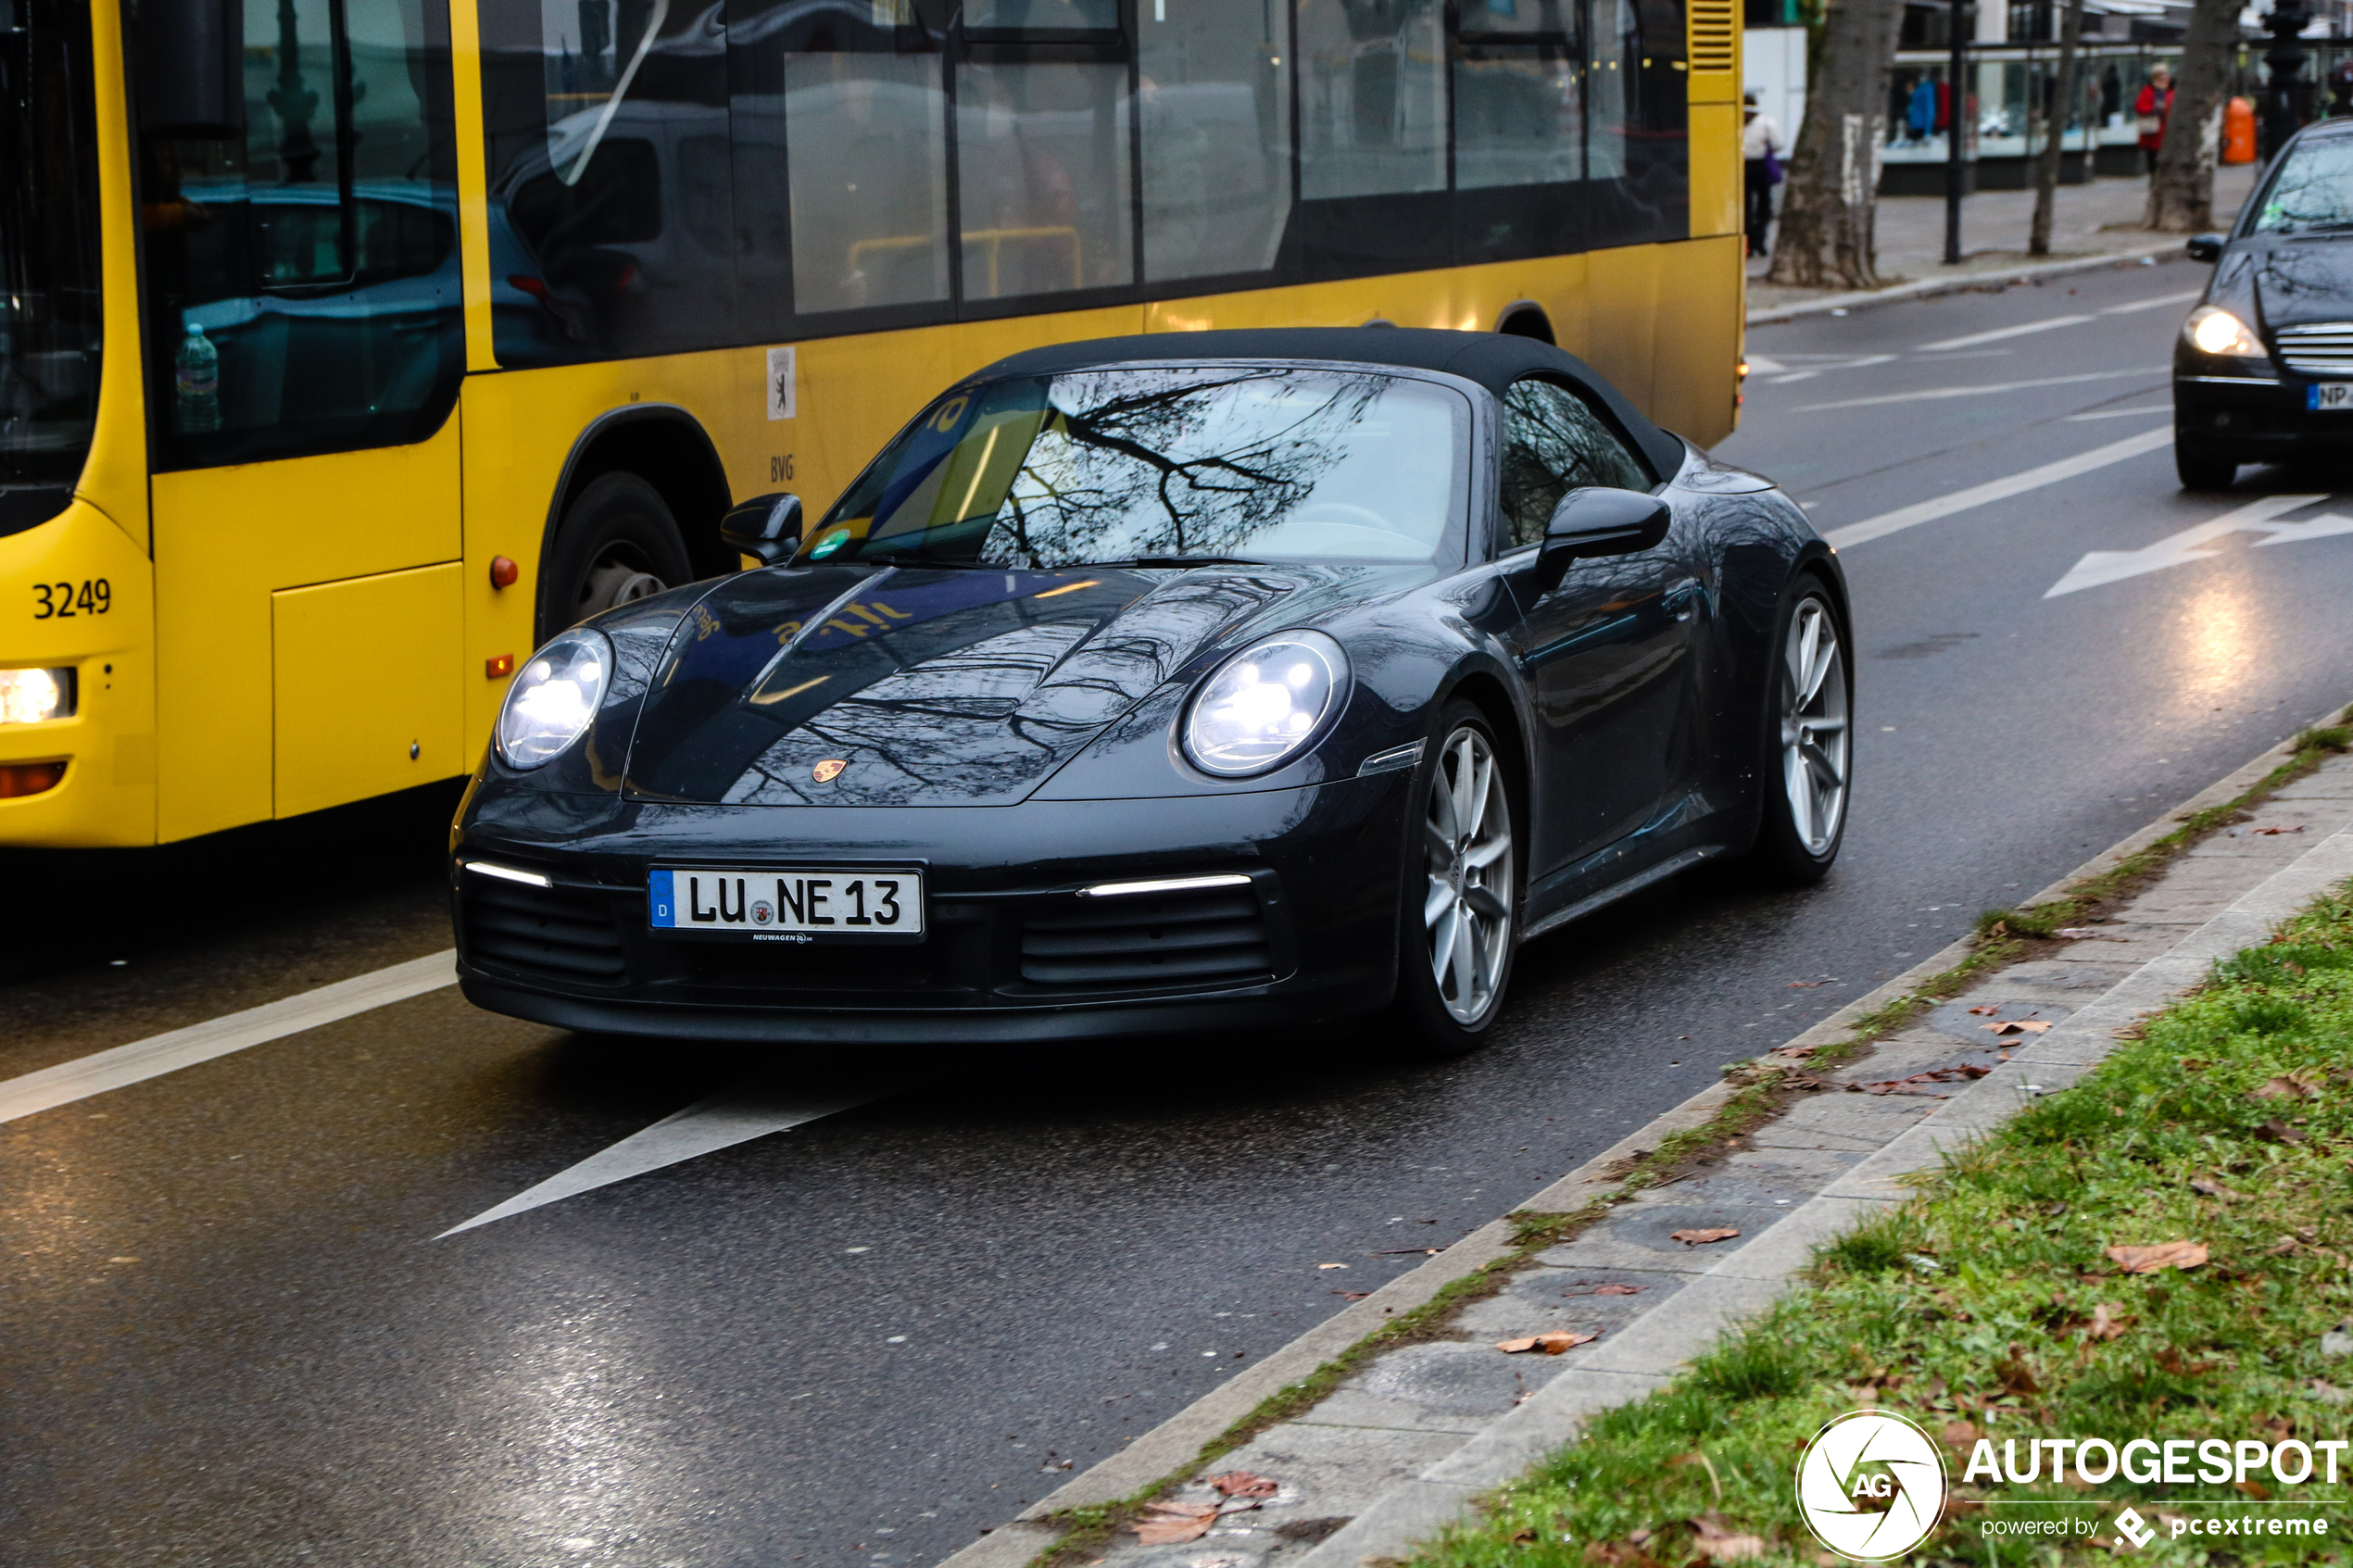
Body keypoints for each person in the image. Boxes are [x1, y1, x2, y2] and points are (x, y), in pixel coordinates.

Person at [1743, 91, 1784, 259]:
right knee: (1762, 205)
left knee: (1748, 206)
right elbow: (1778, 144)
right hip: (1758, 166)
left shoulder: (1735, 121)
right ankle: (1757, 240)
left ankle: (1751, 240)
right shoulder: (1767, 123)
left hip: (1746, 166)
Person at [2136, 64, 2172, 178]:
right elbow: (2139, 106)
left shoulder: (2171, 90)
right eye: (2162, 74)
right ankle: (2155, 178)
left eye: (2166, 74)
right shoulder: (2148, 90)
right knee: (2153, 158)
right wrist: (2152, 110)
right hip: (2153, 131)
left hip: (2168, 130)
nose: (2166, 77)